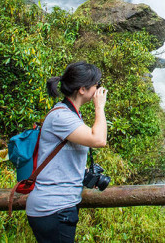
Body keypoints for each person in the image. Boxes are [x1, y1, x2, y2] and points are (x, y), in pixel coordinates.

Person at [26, 61, 108, 243]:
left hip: (58, 207)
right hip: (53, 208)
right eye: (97, 85)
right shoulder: (61, 116)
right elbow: (99, 139)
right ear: (82, 89)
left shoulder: (70, 115)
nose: (98, 90)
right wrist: (99, 107)